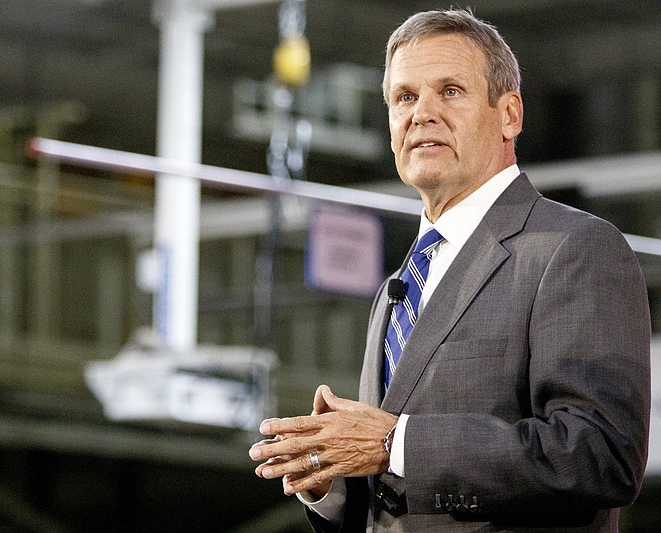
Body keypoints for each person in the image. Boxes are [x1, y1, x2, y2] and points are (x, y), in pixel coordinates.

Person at [249, 8, 652, 532]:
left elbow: (601, 453)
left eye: (451, 91)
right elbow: (393, 487)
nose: (422, 114)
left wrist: (394, 442)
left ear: (509, 114)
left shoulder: (573, 249)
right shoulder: (400, 285)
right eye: (405, 97)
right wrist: (331, 481)